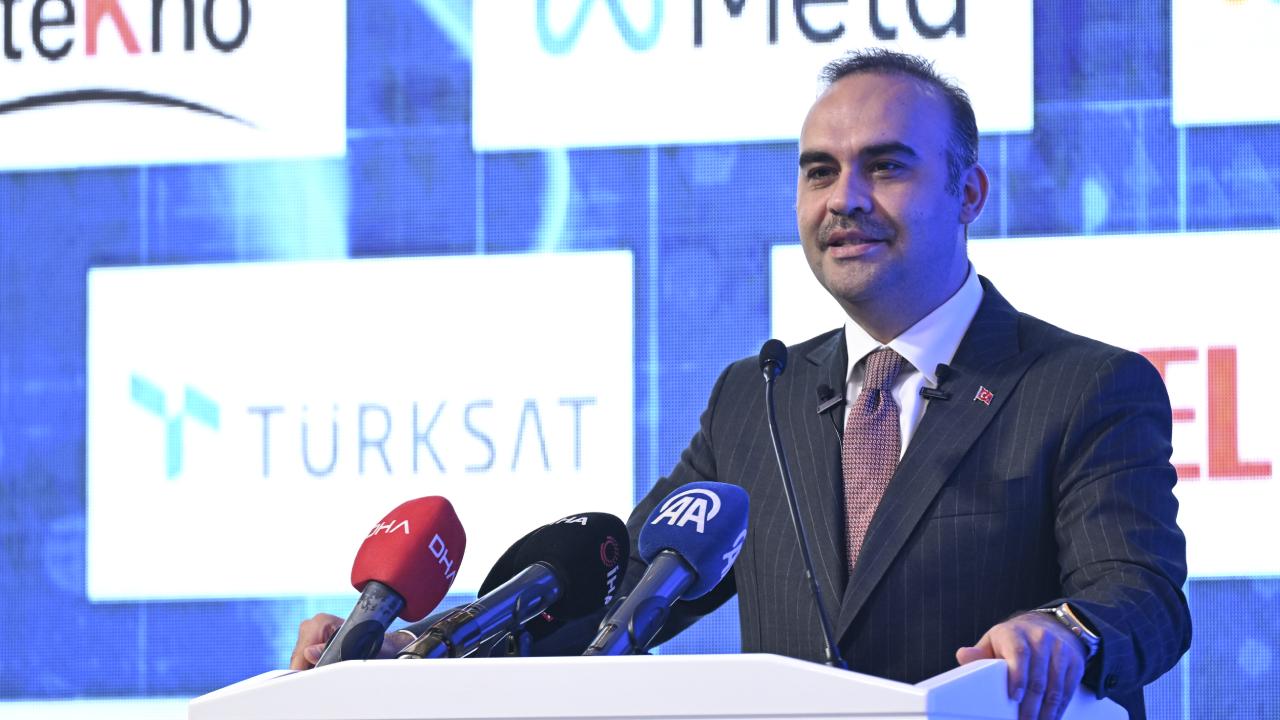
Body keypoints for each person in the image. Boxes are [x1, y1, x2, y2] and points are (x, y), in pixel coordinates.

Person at [291, 49, 1190, 720]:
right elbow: (626, 599)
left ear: (969, 194)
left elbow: (1142, 595)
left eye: (885, 165)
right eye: (819, 171)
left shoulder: (1083, 386)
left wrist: (1065, 631)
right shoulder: (759, 396)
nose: (844, 199)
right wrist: (417, 648)